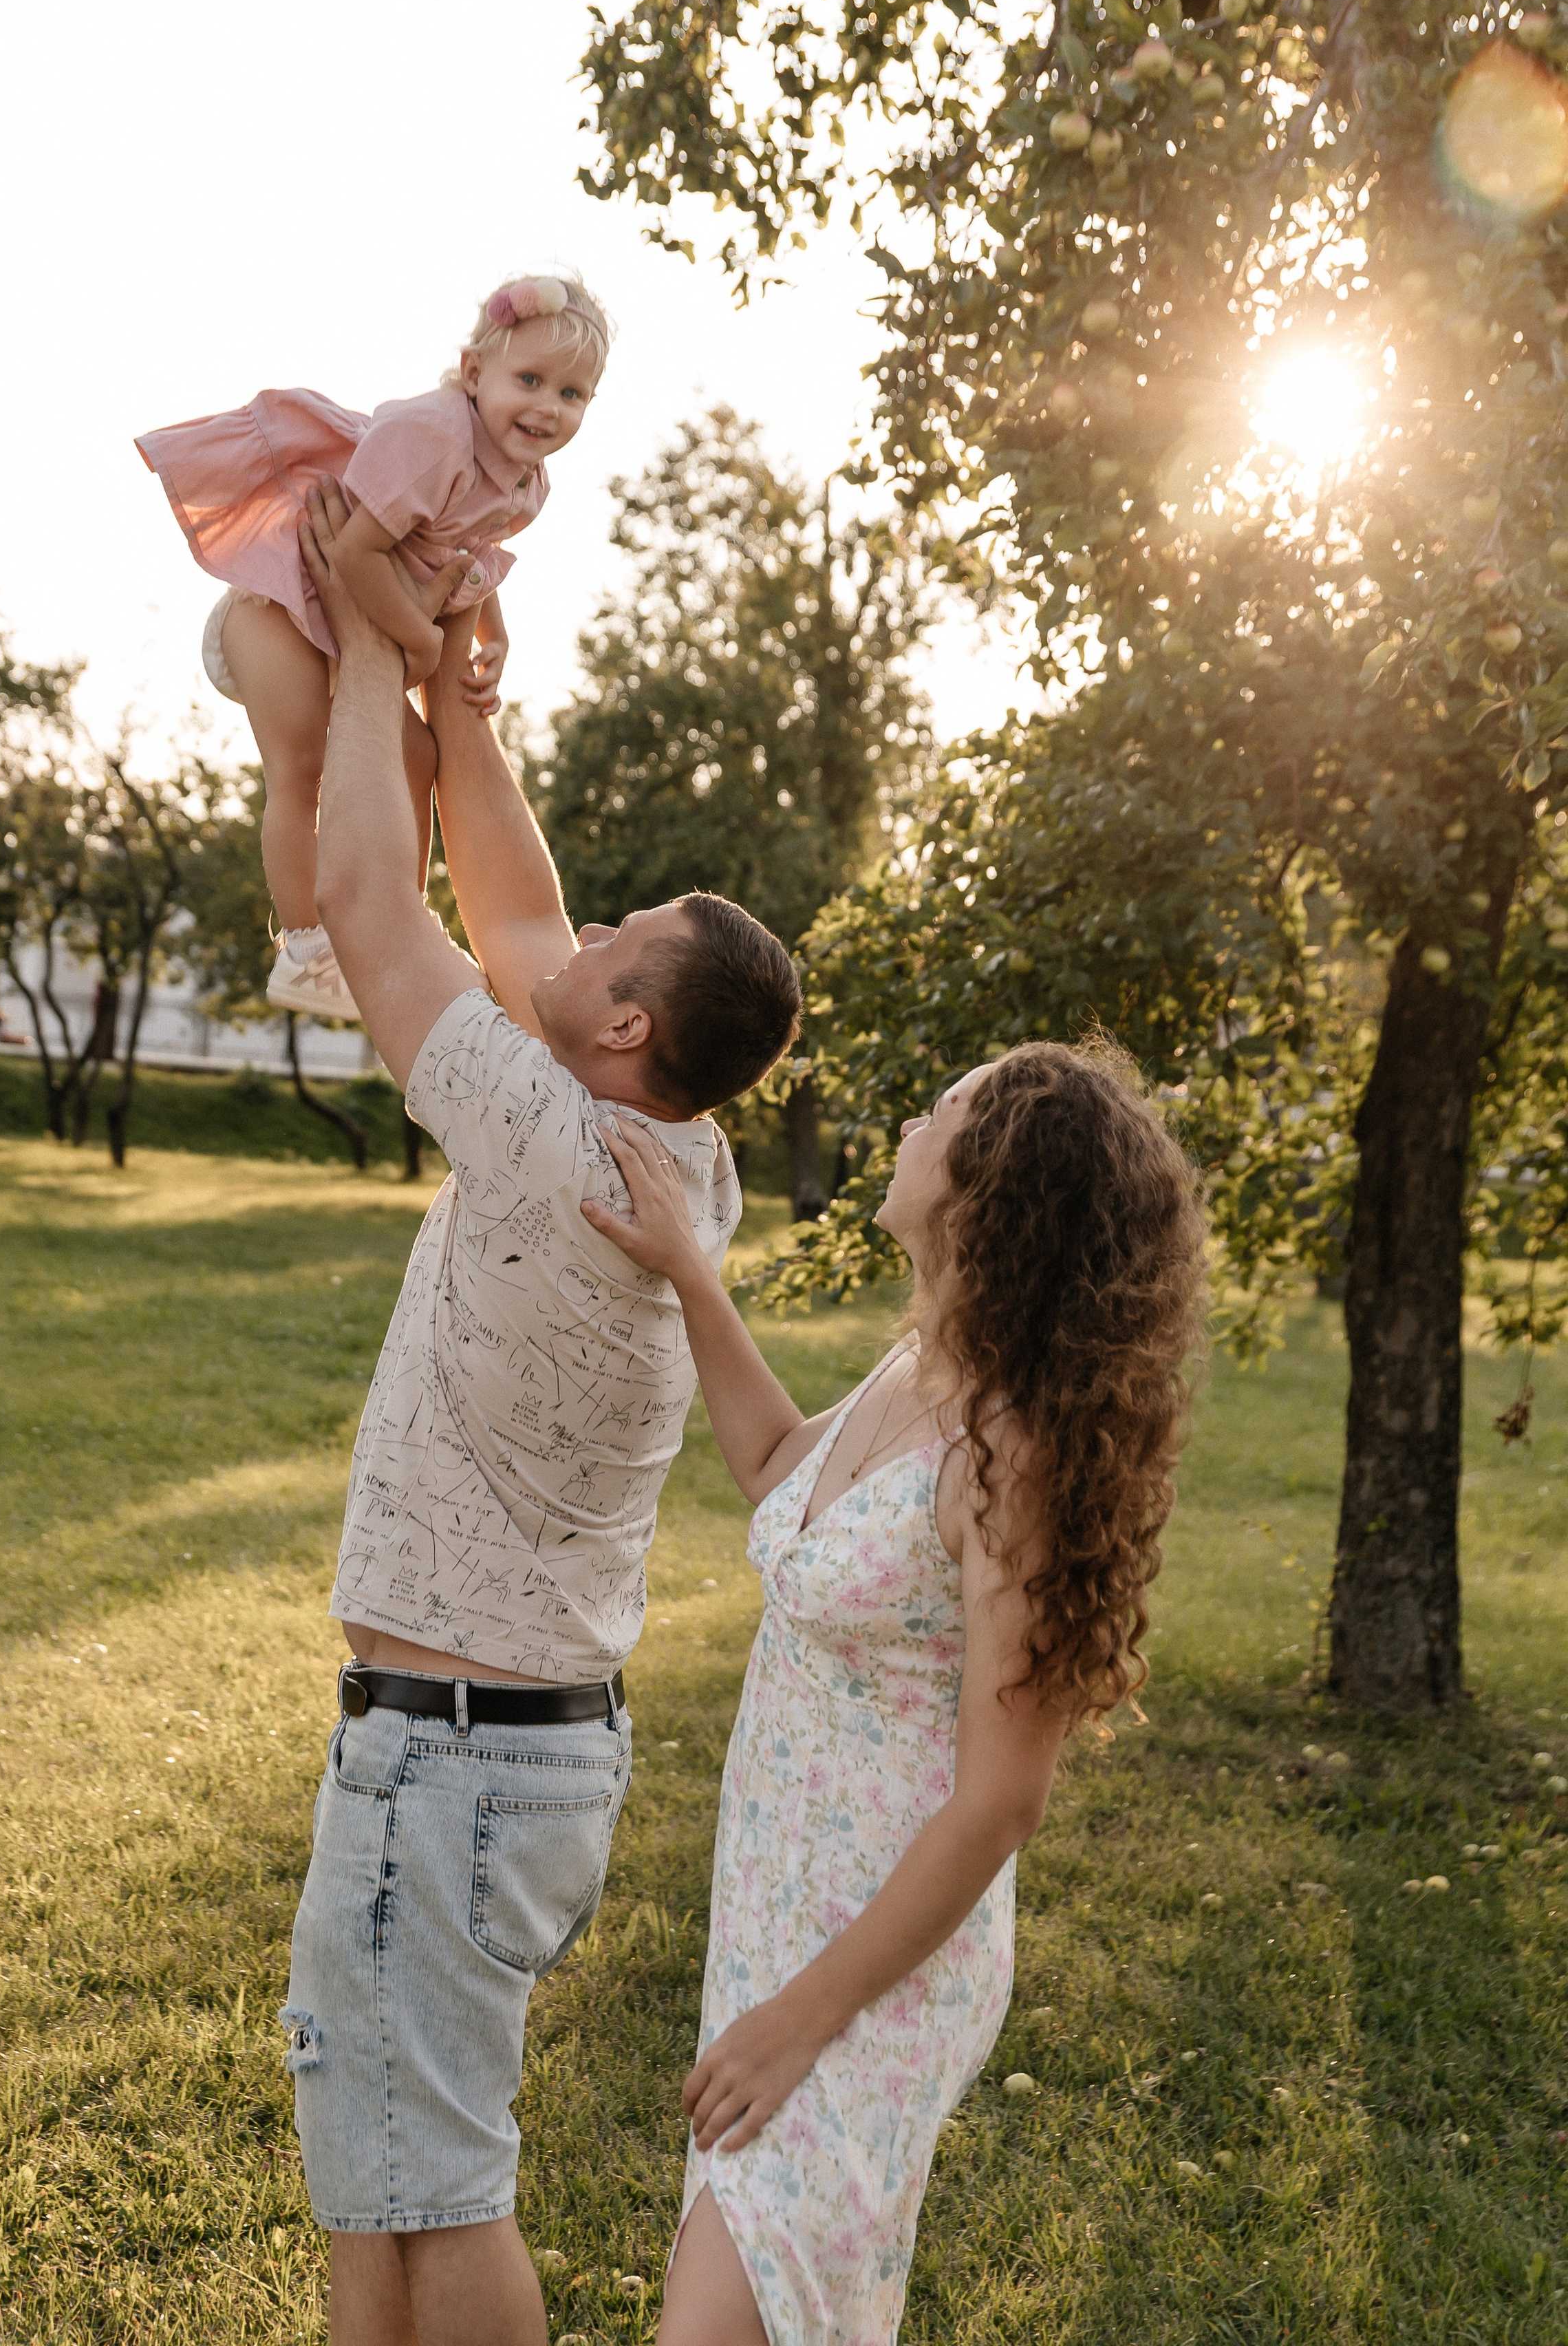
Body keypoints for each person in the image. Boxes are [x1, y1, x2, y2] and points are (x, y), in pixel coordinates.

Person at [279, 475, 803, 2346]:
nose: (587, 931)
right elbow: (518, 915)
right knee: (381, 2183)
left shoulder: (550, 1142)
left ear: (630, 1029)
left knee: (445, 2189)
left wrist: (356, 637)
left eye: (624, 938)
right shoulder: (684, 1159)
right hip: (501, 1754)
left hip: (452, 1762)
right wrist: (469, 714)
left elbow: (367, 900)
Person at [579, 1044, 1207, 2346]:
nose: (916, 1117)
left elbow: (999, 1804)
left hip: (872, 1961)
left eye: (949, 1109)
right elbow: (770, 1466)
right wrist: (693, 1270)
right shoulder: (923, 1367)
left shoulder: (1015, 1454)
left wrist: (798, 2022)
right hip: (778, 1907)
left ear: (990, 1189)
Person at [136, 273, 609, 1021]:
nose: (548, 407)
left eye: (573, 394)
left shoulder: (525, 478)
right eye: (530, 380)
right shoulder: (435, 438)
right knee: (300, 768)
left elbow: (466, 551)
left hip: (354, 630)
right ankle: (305, 948)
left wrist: (497, 635)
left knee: (417, 760)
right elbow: (353, 552)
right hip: (279, 613)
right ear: (474, 373)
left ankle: (394, 920)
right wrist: (420, 638)